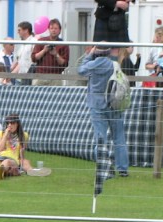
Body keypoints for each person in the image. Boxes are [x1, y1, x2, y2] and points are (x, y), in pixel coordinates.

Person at [79, 45, 130, 191]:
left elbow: (80, 70)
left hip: (97, 105)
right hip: (114, 103)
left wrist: (89, 55)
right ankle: (123, 169)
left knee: (100, 139)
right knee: (119, 137)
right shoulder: (114, 64)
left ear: (96, 51)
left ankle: (106, 169)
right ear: (108, 52)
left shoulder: (93, 64)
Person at [32, 19, 68, 85]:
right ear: (48, 29)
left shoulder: (63, 44)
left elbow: (65, 64)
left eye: (55, 28)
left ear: (60, 30)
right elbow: (34, 58)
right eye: (51, 28)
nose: (53, 30)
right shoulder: (41, 41)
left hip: (56, 77)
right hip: (40, 76)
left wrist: (56, 54)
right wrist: (44, 51)